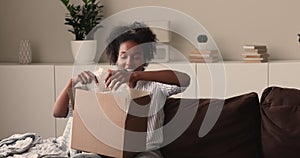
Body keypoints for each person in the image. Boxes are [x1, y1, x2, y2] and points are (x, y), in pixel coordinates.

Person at [53, 22, 190, 158]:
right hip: (105, 151)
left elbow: (184, 80)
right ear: (116, 57)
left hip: (145, 151)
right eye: (123, 56)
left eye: (136, 57)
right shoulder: (103, 82)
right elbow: (59, 112)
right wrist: (71, 83)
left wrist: (135, 75)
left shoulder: (156, 85)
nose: (129, 63)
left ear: (145, 59)